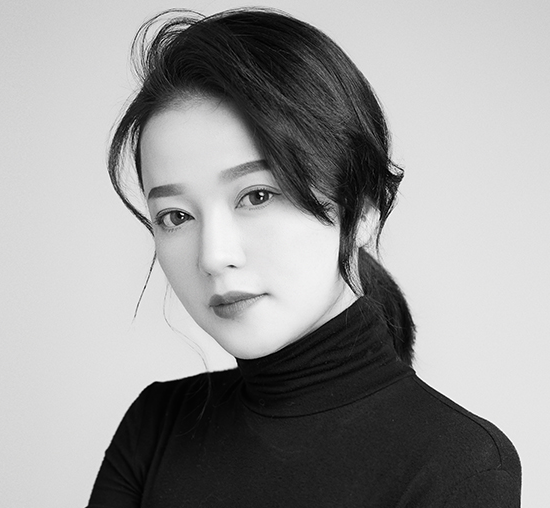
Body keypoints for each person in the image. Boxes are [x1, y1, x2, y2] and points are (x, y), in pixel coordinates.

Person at [87, 8, 521, 507]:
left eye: (257, 196)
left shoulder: (456, 464)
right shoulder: (157, 426)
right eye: (176, 216)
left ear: (362, 210)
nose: (214, 256)